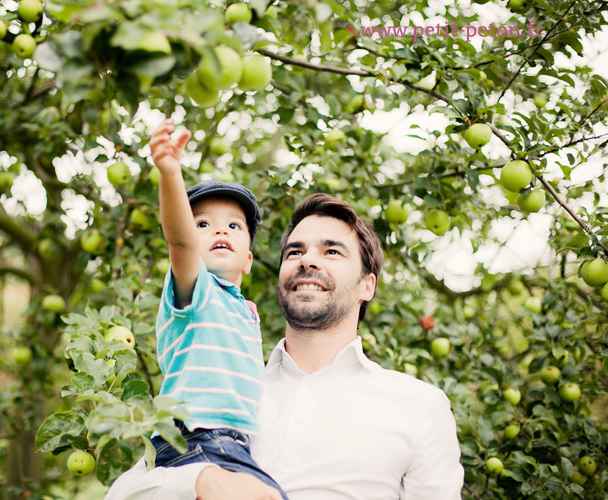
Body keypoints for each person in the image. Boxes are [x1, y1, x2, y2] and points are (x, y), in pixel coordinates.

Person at [104, 192, 465, 500]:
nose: (307, 260)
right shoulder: (225, 389)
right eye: (294, 252)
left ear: (367, 286)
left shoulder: (419, 406)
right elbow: (121, 493)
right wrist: (199, 480)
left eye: (332, 252)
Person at [146, 118, 289, 499]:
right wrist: (170, 172)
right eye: (203, 224)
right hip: (196, 437)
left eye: (233, 226)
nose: (219, 231)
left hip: (232, 444)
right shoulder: (197, 289)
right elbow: (179, 241)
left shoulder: (242, 310)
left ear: (248, 260)